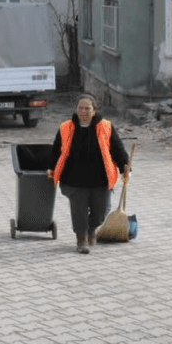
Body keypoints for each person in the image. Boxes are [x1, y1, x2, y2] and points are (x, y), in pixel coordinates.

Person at [46, 94, 130, 254]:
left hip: (101, 178)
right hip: (74, 177)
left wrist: (125, 168)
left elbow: (118, 150)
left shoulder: (106, 126)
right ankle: (81, 239)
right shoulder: (66, 127)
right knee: (79, 212)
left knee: (101, 212)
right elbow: (56, 150)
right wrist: (50, 167)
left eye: (87, 108)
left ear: (94, 110)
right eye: (80, 108)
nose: (83, 111)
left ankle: (92, 229)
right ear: (76, 109)